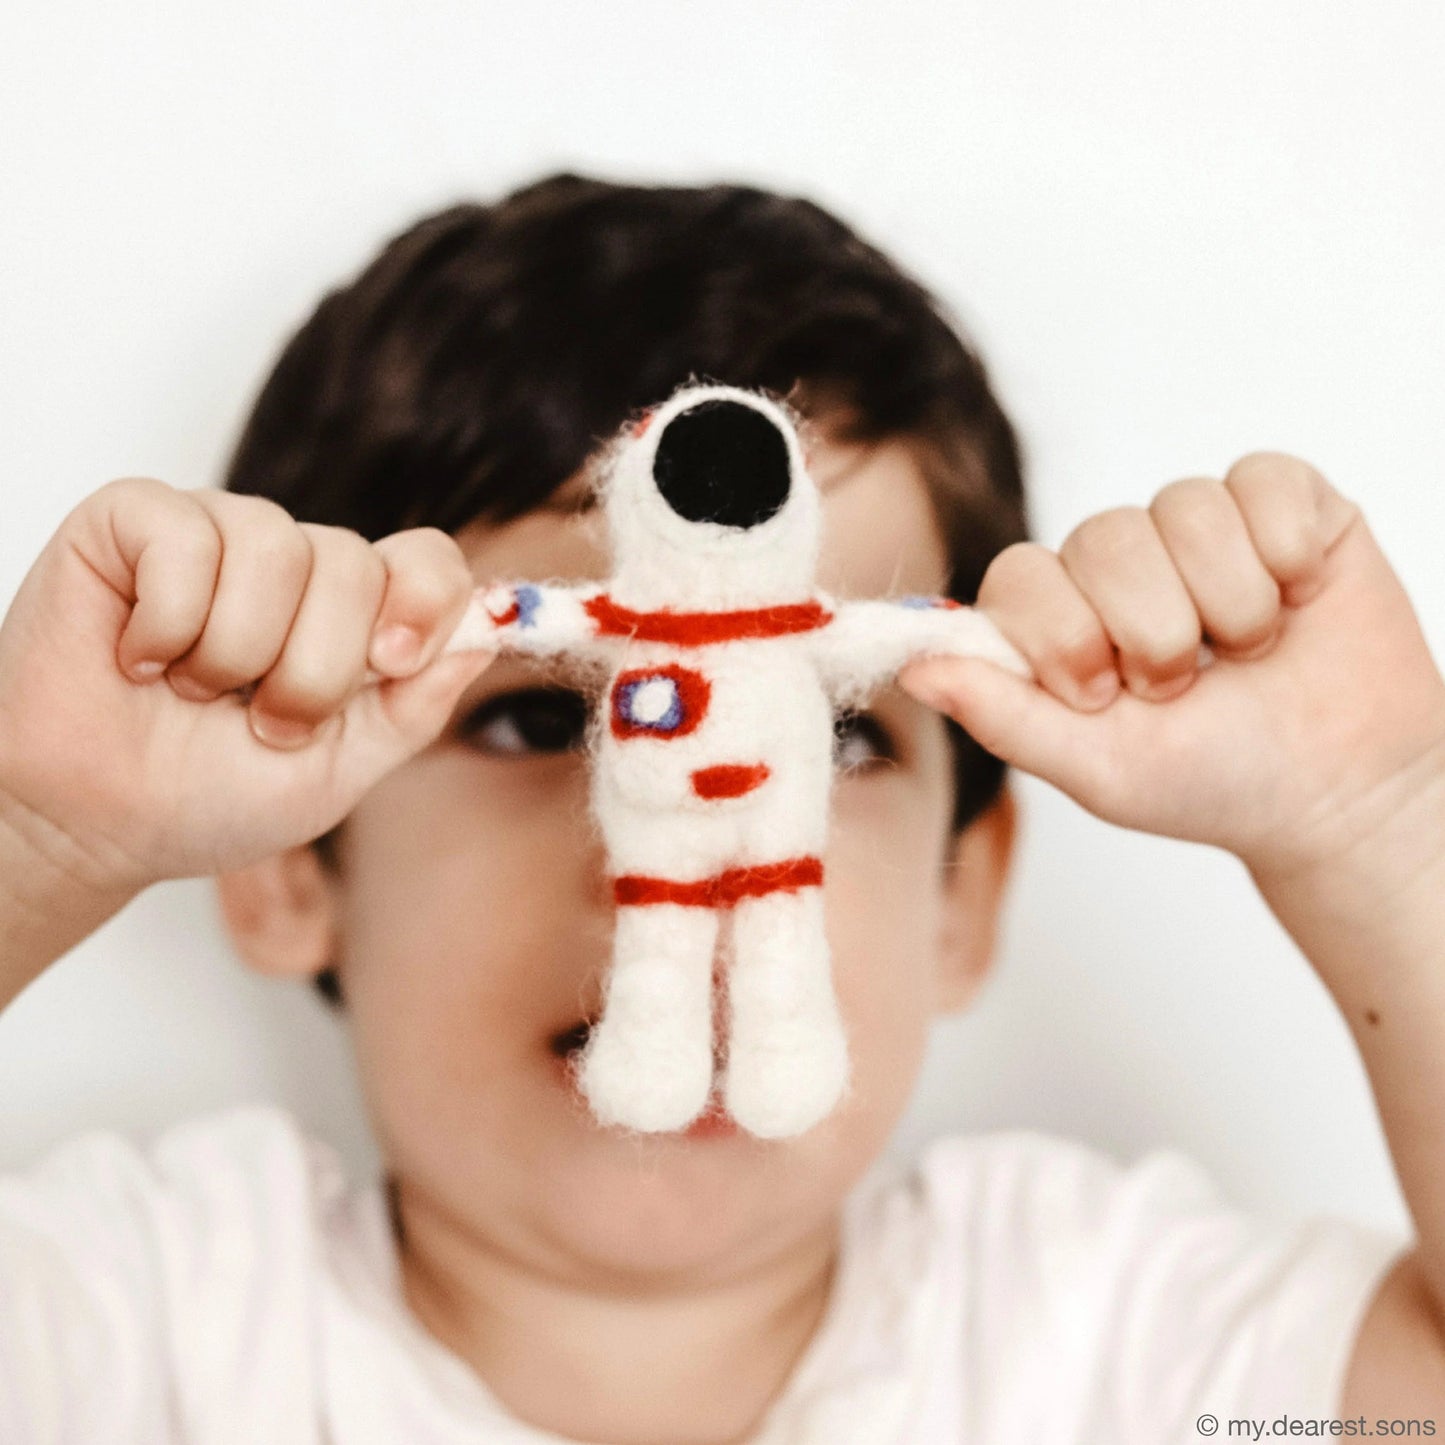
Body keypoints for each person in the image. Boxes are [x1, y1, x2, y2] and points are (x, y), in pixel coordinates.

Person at [1, 171, 1443, 1444]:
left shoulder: (1126, 1339)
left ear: (962, 894)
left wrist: (1383, 830)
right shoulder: (127, 1328)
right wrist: (28, 836)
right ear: (282, 868)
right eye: (530, 718)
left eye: (845, 735)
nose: (642, 832)